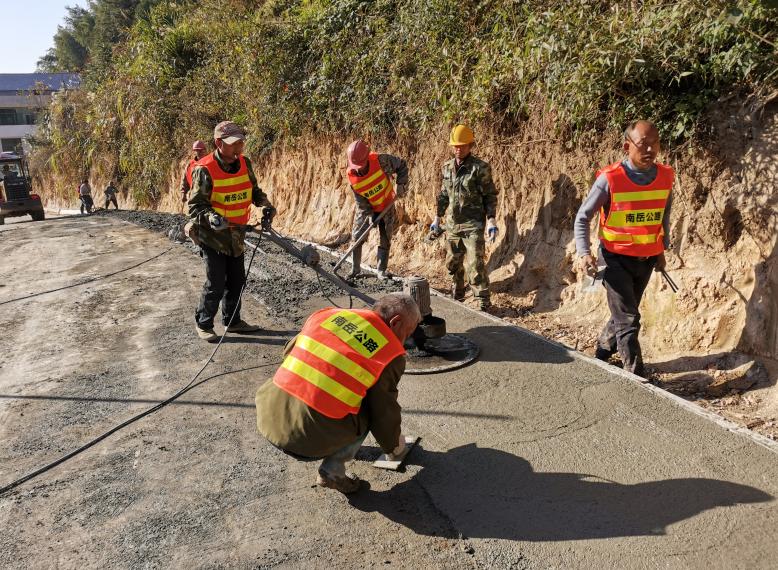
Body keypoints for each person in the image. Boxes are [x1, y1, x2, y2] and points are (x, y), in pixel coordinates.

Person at [255, 293, 421, 494]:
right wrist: (394, 447)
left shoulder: (328, 315)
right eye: (408, 332)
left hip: (268, 415)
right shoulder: (389, 354)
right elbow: (384, 411)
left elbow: (288, 352)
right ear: (396, 322)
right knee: (370, 407)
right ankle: (333, 470)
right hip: (304, 441)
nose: (406, 340)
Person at [574, 120, 674, 378]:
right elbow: (583, 217)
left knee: (625, 312)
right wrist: (584, 253)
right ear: (626, 146)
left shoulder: (665, 176)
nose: (650, 149)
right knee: (628, 319)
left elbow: (662, 216)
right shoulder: (610, 179)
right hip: (615, 260)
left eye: (655, 143)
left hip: (647, 260)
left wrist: (661, 251)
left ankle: (603, 350)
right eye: (643, 144)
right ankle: (636, 376)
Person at [188, 121, 276, 342]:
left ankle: (233, 321)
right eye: (233, 142)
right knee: (215, 282)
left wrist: (265, 205)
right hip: (213, 236)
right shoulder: (205, 169)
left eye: (240, 141)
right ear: (219, 143)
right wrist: (211, 217)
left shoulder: (245, 164)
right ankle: (204, 323)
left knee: (237, 280)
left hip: (236, 235)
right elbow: (195, 205)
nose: (239, 145)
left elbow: (254, 191)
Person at [431, 124, 498, 311]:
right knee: (452, 261)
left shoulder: (480, 168)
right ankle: (458, 291)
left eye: (462, 145)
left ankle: (483, 300)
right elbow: (443, 194)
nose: (458, 149)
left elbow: (490, 195)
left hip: (473, 223)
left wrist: (491, 219)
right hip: (452, 224)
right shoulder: (446, 168)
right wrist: (437, 218)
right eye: (455, 146)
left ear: (470, 145)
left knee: (475, 263)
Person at [344, 140, 408, 280]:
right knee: (357, 236)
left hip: (387, 204)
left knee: (385, 237)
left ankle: (381, 270)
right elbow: (361, 201)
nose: (359, 169)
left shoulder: (380, 161)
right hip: (367, 207)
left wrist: (401, 184)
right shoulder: (352, 176)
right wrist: (370, 215)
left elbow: (402, 165)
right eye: (356, 166)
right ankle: (355, 269)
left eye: (361, 165)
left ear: (367, 157)